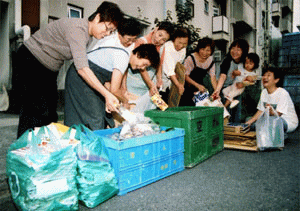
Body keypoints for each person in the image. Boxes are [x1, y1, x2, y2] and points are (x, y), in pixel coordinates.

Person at [14, 1, 123, 138]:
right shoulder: (78, 29)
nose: (107, 33)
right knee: (34, 112)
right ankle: (24, 151)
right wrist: (107, 94)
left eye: (111, 31)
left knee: (49, 115)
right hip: (31, 60)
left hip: (47, 70)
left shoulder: (88, 37)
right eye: (107, 28)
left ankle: (41, 148)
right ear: (97, 17)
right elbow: (82, 69)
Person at [64, 44, 160, 130]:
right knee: (95, 117)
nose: (143, 68)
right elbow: (114, 89)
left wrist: (112, 98)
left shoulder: (125, 59)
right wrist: (125, 101)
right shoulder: (123, 57)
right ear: (139, 54)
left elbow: (107, 82)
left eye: (146, 67)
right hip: (80, 78)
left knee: (104, 114)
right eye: (144, 64)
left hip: (93, 81)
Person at [123, 21, 174, 98]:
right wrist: (151, 85)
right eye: (159, 35)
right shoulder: (141, 42)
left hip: (147, 85)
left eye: (163, 40)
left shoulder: (162, 47)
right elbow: (141, 68)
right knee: (133, 103)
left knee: (154, 104)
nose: (159, 40)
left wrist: (159, 78)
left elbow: (159, 64)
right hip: (134, 83)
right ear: (156, 29)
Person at [245, 67, 298, 133]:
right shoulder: (264, 92)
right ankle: (267, 132)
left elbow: (278, 114)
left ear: (276, 80)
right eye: (264, 75)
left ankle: (281, 136)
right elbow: (260, 111)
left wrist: (271, 111)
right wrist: (247, 123)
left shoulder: (282, 93)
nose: (265, 77)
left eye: (268, 75)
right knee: (249, 119)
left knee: (271, 122)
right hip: (269, 119)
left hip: (286, 121)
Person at [211, 38, 249, 123]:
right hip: (224, 90)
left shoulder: (245, 63)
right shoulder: (227, 61)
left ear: (243, 51)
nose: (234, 51)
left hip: (236, 91)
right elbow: (222, 76)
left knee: (236, 116)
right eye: (233, 48)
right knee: (225, 116)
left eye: (238, 49)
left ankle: (234, 132)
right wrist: (217, 90)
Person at [180, 37, 217, 106]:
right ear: (199, 48)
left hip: (200, 89)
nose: (205, 53)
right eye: (202, 49)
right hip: (187, 87)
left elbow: (213, 77)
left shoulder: (211, 61)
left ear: (211, 51)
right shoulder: (190, 58)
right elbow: (185, 76)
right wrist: (197, 85)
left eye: (208, 50)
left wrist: (216, 91)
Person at [159, 27, 190, 103]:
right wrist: (179, 85)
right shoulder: (167, 47)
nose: (181, 46)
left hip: (168, 84)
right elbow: (169, 71)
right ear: (174, 39)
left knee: (166, 107)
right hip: (157, 82)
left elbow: (178, 65)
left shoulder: (183, 49)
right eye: (179, 42)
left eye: (185, 44)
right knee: (158, 106)